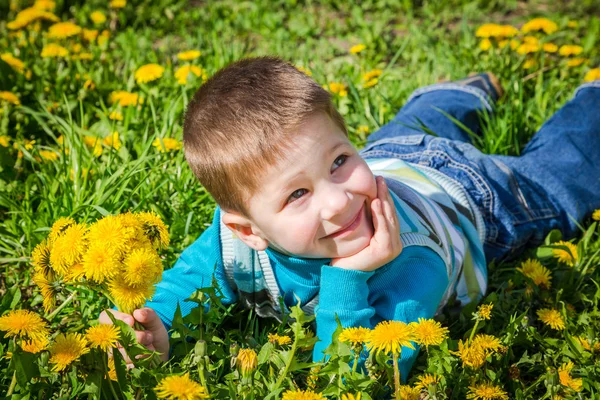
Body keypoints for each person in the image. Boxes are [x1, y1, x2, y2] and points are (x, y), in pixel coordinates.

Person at [100, 56, 600, 380]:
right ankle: (456, 95)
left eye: (339, 159)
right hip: (389, 158)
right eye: (297, 194)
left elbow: (356, 379)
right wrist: (154, 327)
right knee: (407, 130)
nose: (339, 202)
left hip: (468, 196)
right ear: (248, 230)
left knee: (561, 177)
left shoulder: (412, 265)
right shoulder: (231, 243)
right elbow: (181, 285)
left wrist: (348, 279)